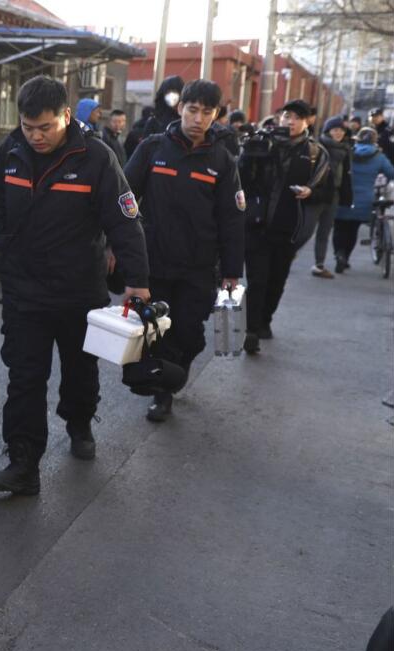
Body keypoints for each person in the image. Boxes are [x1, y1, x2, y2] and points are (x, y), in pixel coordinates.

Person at [0, 75, 150, 495]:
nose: (36, 137)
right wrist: (0, 250)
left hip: (79, 289)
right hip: (23, 291)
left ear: (65, 116)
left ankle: (79, 423)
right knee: (24, 377)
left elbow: (124, 220)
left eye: (45, 128)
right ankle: (23, 462)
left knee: (79, 370)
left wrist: (137, 280)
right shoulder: (11, 150)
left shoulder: (95, 157)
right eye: (28, 127)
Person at [123, 79, 244, 421]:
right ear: (180, 109)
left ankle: (176, 370)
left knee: (190, 333)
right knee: (157, 331)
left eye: (207, 112)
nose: (198, 118)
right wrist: (116, 247)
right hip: (155, 261)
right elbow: (124, 199)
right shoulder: (152, 148)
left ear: (216, 115)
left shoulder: (222, 161)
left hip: (199, 266)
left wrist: (232, 271)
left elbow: (233, 219)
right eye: (193, 110)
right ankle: (163, 393)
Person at [238, 99, 330, 354]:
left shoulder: (315, 153)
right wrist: (249, 153)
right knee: (257, 280)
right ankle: (251, 330)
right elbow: (241, 178)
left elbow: (325, 191)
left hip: (288, 229)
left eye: (296, 117)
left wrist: (310, 191)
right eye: (286, 116)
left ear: (306, 122)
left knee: (276, 280)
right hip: (256, 226)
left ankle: (265, 320)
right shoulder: (263, 143)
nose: (290, 121)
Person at [333, 127, 394, 272]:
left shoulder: (347, 152)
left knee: (339, 227)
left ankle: (339, 254)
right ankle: (346, 257)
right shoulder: (379, 157)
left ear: (358, 138)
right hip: (364, 200)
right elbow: (392, 174)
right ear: (374, 140)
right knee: (352, 229)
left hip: (342, 196)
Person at [307, 115, 354, 278]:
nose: (339, 133)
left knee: (325, 231)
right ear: (328, 131)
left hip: (334, 194)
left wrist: (346, 195)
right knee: (306, 229)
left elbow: (346, 174)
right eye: (335, 130)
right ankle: (285, 256)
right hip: (318, 194)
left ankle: (319, 264)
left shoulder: (346, 149)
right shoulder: (318, 147)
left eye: (341, 130)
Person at [139, 76, 185, 142]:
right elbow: (145, 149)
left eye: (175, 92)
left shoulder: (187, 120)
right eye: (168, 93)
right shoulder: (154, 121)